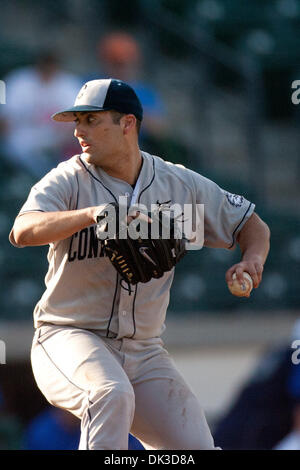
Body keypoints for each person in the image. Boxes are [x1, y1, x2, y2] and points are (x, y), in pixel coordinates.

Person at [9, 78, 270, 450]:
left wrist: (252, 260)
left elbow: (251, 225)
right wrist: (93, 214)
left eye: (90, 120)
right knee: (109, 394)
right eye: (76, 121)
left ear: (127, 123)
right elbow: (23, 229)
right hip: (69, 335)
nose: (79, 130)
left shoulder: (178, 186)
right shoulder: (70, 178)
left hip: (144, 350)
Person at [0, 50, 82, 178]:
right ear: (38, 63)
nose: (48, 67)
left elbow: (78, 121)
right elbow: (4, 119)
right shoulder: (18, 80)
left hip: (57, 144)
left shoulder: (69, 84)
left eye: (51, 63)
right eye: (46, 62)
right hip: (22, 142)